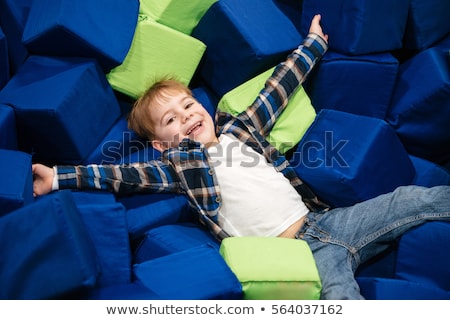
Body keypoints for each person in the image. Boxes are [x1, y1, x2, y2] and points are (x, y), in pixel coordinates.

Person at [32, 15, 450, 299]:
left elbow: (276, 90)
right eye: (171, 120)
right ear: (162, 144)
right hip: (293, 257)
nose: (187, 116)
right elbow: (118, 176)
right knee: (339, 300)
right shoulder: (177, 167)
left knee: (413, 199)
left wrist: (313, 45)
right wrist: (57, 177)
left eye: (189, 106)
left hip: (328, 221)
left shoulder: (239, 129)